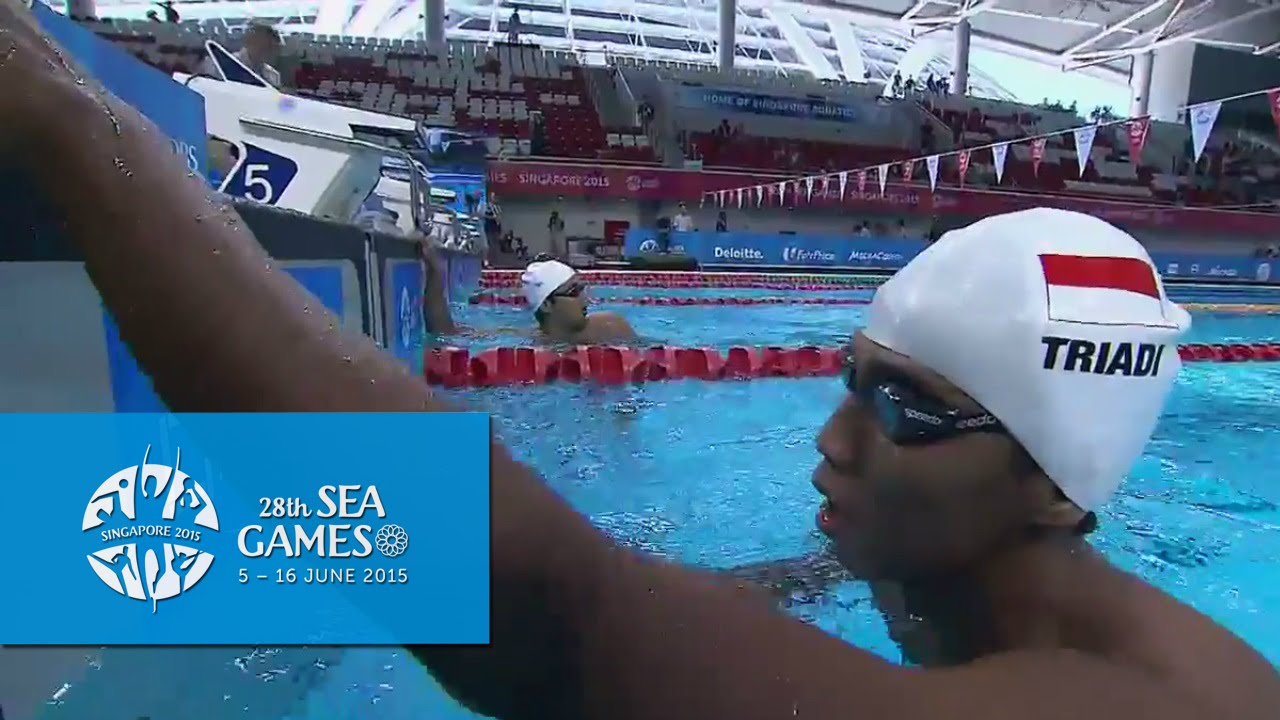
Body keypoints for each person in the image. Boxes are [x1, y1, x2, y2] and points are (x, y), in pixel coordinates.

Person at [2, 7, 1275, 720]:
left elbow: (559, 620)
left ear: (1057, 487)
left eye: (907, 406)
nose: (833, 437)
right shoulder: (952, 579)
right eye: (845, 377)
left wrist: (81, 129)